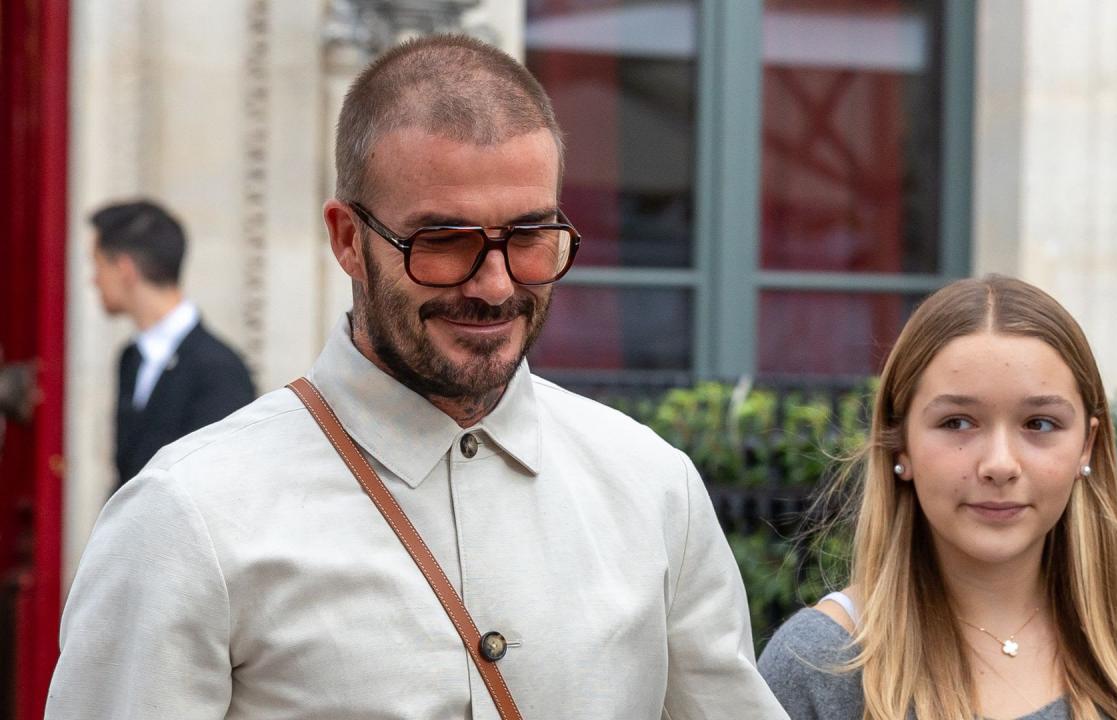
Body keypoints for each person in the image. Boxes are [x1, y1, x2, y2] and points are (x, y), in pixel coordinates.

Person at [48, 35, 787, 719]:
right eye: (444, 240)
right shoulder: (184, 518)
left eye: (531, 237)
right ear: (346, 239)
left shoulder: (655, 490)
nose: (496, 285)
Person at [759, 275, 1117, 720]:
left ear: (1086, 446)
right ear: (900, 444)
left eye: (1039, 424)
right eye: (958, 422)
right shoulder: (820, 663)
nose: (1000, 464)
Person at [88, 200, 256, 487]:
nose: (94, 280)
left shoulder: (220, 369)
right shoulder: (130, 359)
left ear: (125, 268)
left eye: (99, 265)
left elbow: (220, 484)